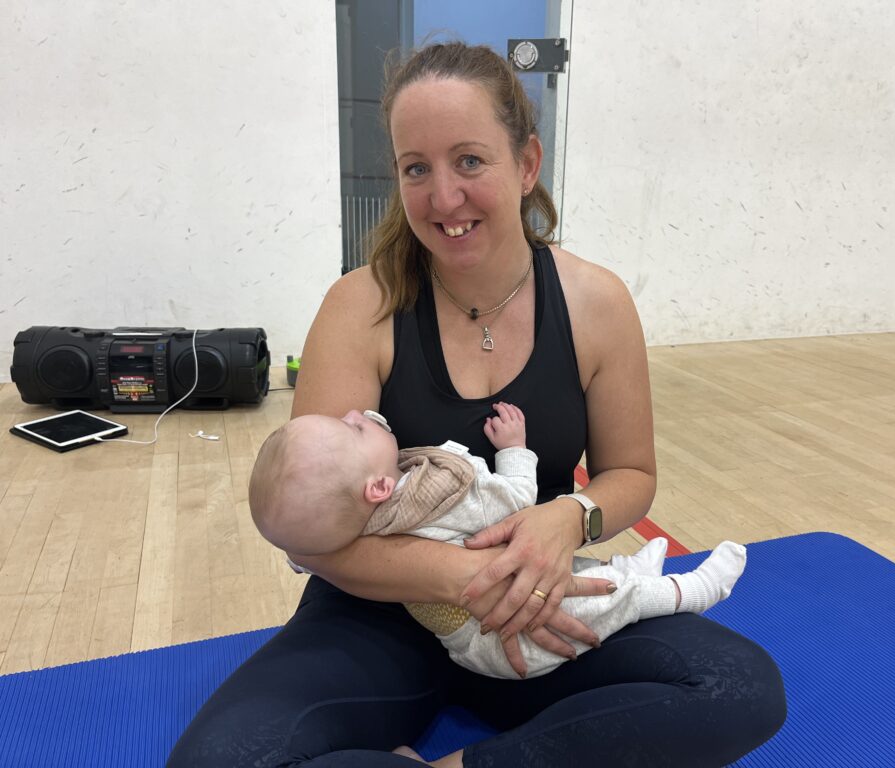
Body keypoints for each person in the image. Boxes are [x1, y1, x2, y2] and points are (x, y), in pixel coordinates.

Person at [168, 41, 785, 767]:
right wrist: (462, 579)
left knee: (739, 686)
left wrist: (568, 516)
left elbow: (631, 476)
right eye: (416, 169)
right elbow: (311, 535)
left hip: (542, 605)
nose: (443, 197)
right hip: (386, 612)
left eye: (469, 161)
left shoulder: (596, 303)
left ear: (526, 164)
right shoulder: (359, 306)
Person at [247, 405, 748, 681]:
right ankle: (692, 590)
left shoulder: (352, 521)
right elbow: (514, 503)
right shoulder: (435, 496)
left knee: (733, 682)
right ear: (378, 487)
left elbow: (303, 552)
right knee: (611, 598)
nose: (358, 412)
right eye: (354, 427)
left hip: (466, 638)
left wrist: (573, 517)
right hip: (511, 636)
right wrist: (515, 450)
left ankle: (630, 569)